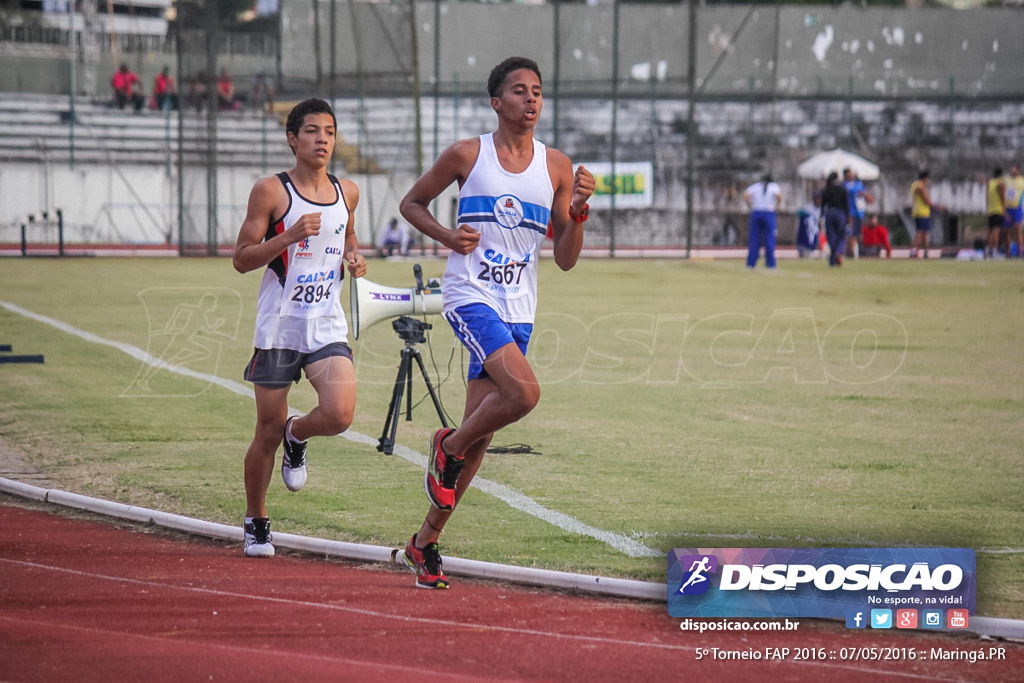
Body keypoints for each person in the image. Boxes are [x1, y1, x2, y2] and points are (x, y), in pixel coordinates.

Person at [397, 56, 595, 589]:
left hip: (519, 308)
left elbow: (568, 257)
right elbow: (411, 203)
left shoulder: (556, 166)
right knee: (525, 395)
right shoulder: (468, 154)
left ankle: (424, 543)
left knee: (481, 433)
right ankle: (447, 447)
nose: (530, 100)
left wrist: (577, 210)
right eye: (519, 91)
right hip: (470, 295)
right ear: (496, 101)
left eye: (537, 92)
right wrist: (445, 236)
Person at [232, 98, 368, 558]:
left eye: (329, 131)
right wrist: (287, 235)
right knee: (265, 432)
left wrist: (354, 256)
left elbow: (347, 235)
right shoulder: (271, 191)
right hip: (279, 329)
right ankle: (256, 521)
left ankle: (300, 435)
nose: (322, 139)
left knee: (340, 413)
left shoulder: (347, 191)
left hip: (325, 323)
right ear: (293, 139)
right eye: (311, 131)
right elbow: (242, 259)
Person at [742, 173, 782, 269]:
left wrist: (750, 205)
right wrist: (777, 206)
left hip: (756, 211)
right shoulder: (774, 186)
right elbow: (779, 197)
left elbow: (746, 195)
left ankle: (751, 263)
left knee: (754, 238)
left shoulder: (756, 186)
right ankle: (770, 263)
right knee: (769, 238)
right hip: (769, 212)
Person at [909, 169, 943, 259]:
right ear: (925, 178)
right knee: (920, 233)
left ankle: (926, 251)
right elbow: (926, 200)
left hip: (917, 211)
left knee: (924, 233)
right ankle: (913, 250)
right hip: (922, 212)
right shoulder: (921, 186)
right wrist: (936, 207)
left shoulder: (914, 184)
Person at [843, 168, 874, 259]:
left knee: (856, 234)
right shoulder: (846, 186)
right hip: (851, 213)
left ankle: (851, 252)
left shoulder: (858, 184)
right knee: (851, 234)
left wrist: (866, 196)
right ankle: (849, 253)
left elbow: (867, 197)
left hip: (859, 213)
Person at [821, 171, 849, 267]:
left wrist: (821, 217)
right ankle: (838, 252)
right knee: (841, 236)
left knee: (831, 237)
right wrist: (848, 217)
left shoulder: (827, 190)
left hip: (829, 213)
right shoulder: (842, 189)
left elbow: (822, 205)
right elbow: (846, 204)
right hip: (840, 214)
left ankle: (832, 261)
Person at [1003, 164, 1024, 259]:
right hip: (1007, 208)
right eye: (1011, 170)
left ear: (1018, 171)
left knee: (1018, 230)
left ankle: (1020, 252)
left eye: (1014, 170)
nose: (1012, 171)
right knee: (1006, 231)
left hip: (1017, 208)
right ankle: (1008, 252)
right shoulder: (1007, 179)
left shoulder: (1022, 181)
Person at [986, 168, 1007, 259]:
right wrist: (1004, 210)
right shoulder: (1000, 183)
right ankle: (994, 251)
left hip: (990, 210)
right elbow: (1003, 197)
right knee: (996, 232)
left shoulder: (990, 183)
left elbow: (987, 197)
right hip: (998, 210)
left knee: (989, 232)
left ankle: (987, 250)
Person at [796, 191, 822, 259]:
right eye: (816, 198)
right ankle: (805, 250)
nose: (818, 200)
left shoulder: (821, 208)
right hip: (809, 228)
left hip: (816, 228)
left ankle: (812, 250)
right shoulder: (808, 207)